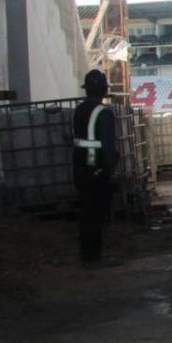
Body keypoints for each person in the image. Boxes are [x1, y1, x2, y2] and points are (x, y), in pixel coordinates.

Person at [72, 69, 119, 265]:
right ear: (103, 90)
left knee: (86, 213)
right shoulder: (104, 113)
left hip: (80, 169)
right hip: (97, 170)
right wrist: (111, 170)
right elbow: (107, 147)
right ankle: (93, 257)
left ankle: (87, 255)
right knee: (97, 214)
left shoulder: (79, 110)